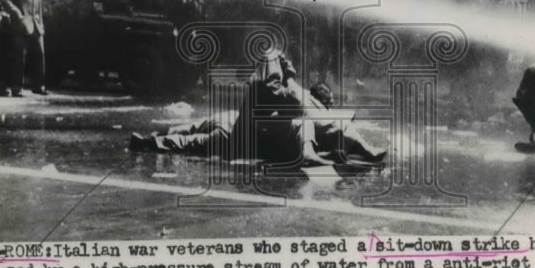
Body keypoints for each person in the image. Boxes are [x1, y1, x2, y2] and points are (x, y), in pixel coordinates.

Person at [129, 54, 386, 166]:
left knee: (197, 134)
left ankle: (154, 139)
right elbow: (337, 127)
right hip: (249, 136)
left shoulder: (286, 90)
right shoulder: (300, 98)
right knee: (197, 136)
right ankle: (155, 139)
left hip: (242, 132)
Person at [0, 0, 33, 97]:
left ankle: (15, 86)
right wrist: (17, 12)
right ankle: (15, 87)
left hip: (24, 25)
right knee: (17, 57)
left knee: (19, 57)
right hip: (17, 25)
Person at [21, 0, 48, 95]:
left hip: (37, 25)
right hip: (24, 24)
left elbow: (39, 8)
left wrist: (41, 25)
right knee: (22, 56)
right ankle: (18, 86)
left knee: (39, 54)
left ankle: (39, 86)